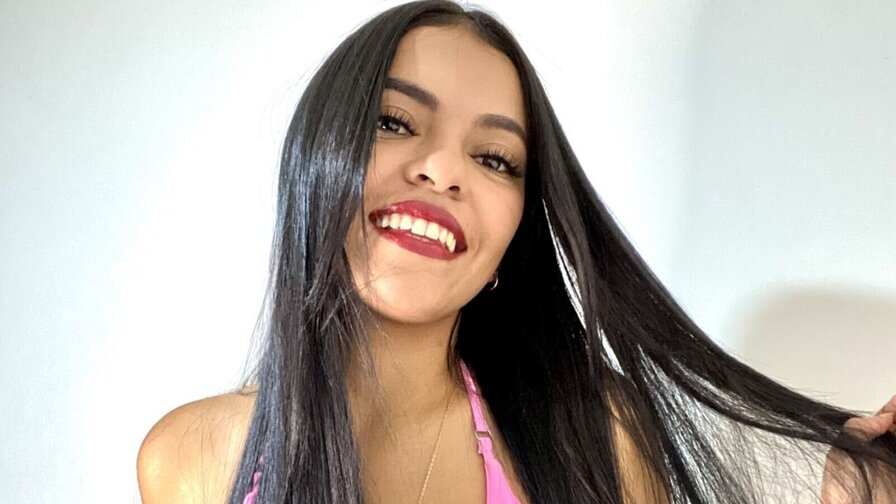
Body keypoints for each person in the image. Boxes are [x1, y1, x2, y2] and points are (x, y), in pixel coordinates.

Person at [135, 1, 896, 503]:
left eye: (495, 159)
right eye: (395, 122)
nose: (443, 169)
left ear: (511, 240)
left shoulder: (596, 436)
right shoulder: (188, 458)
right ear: (315, 157)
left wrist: (848, 489)